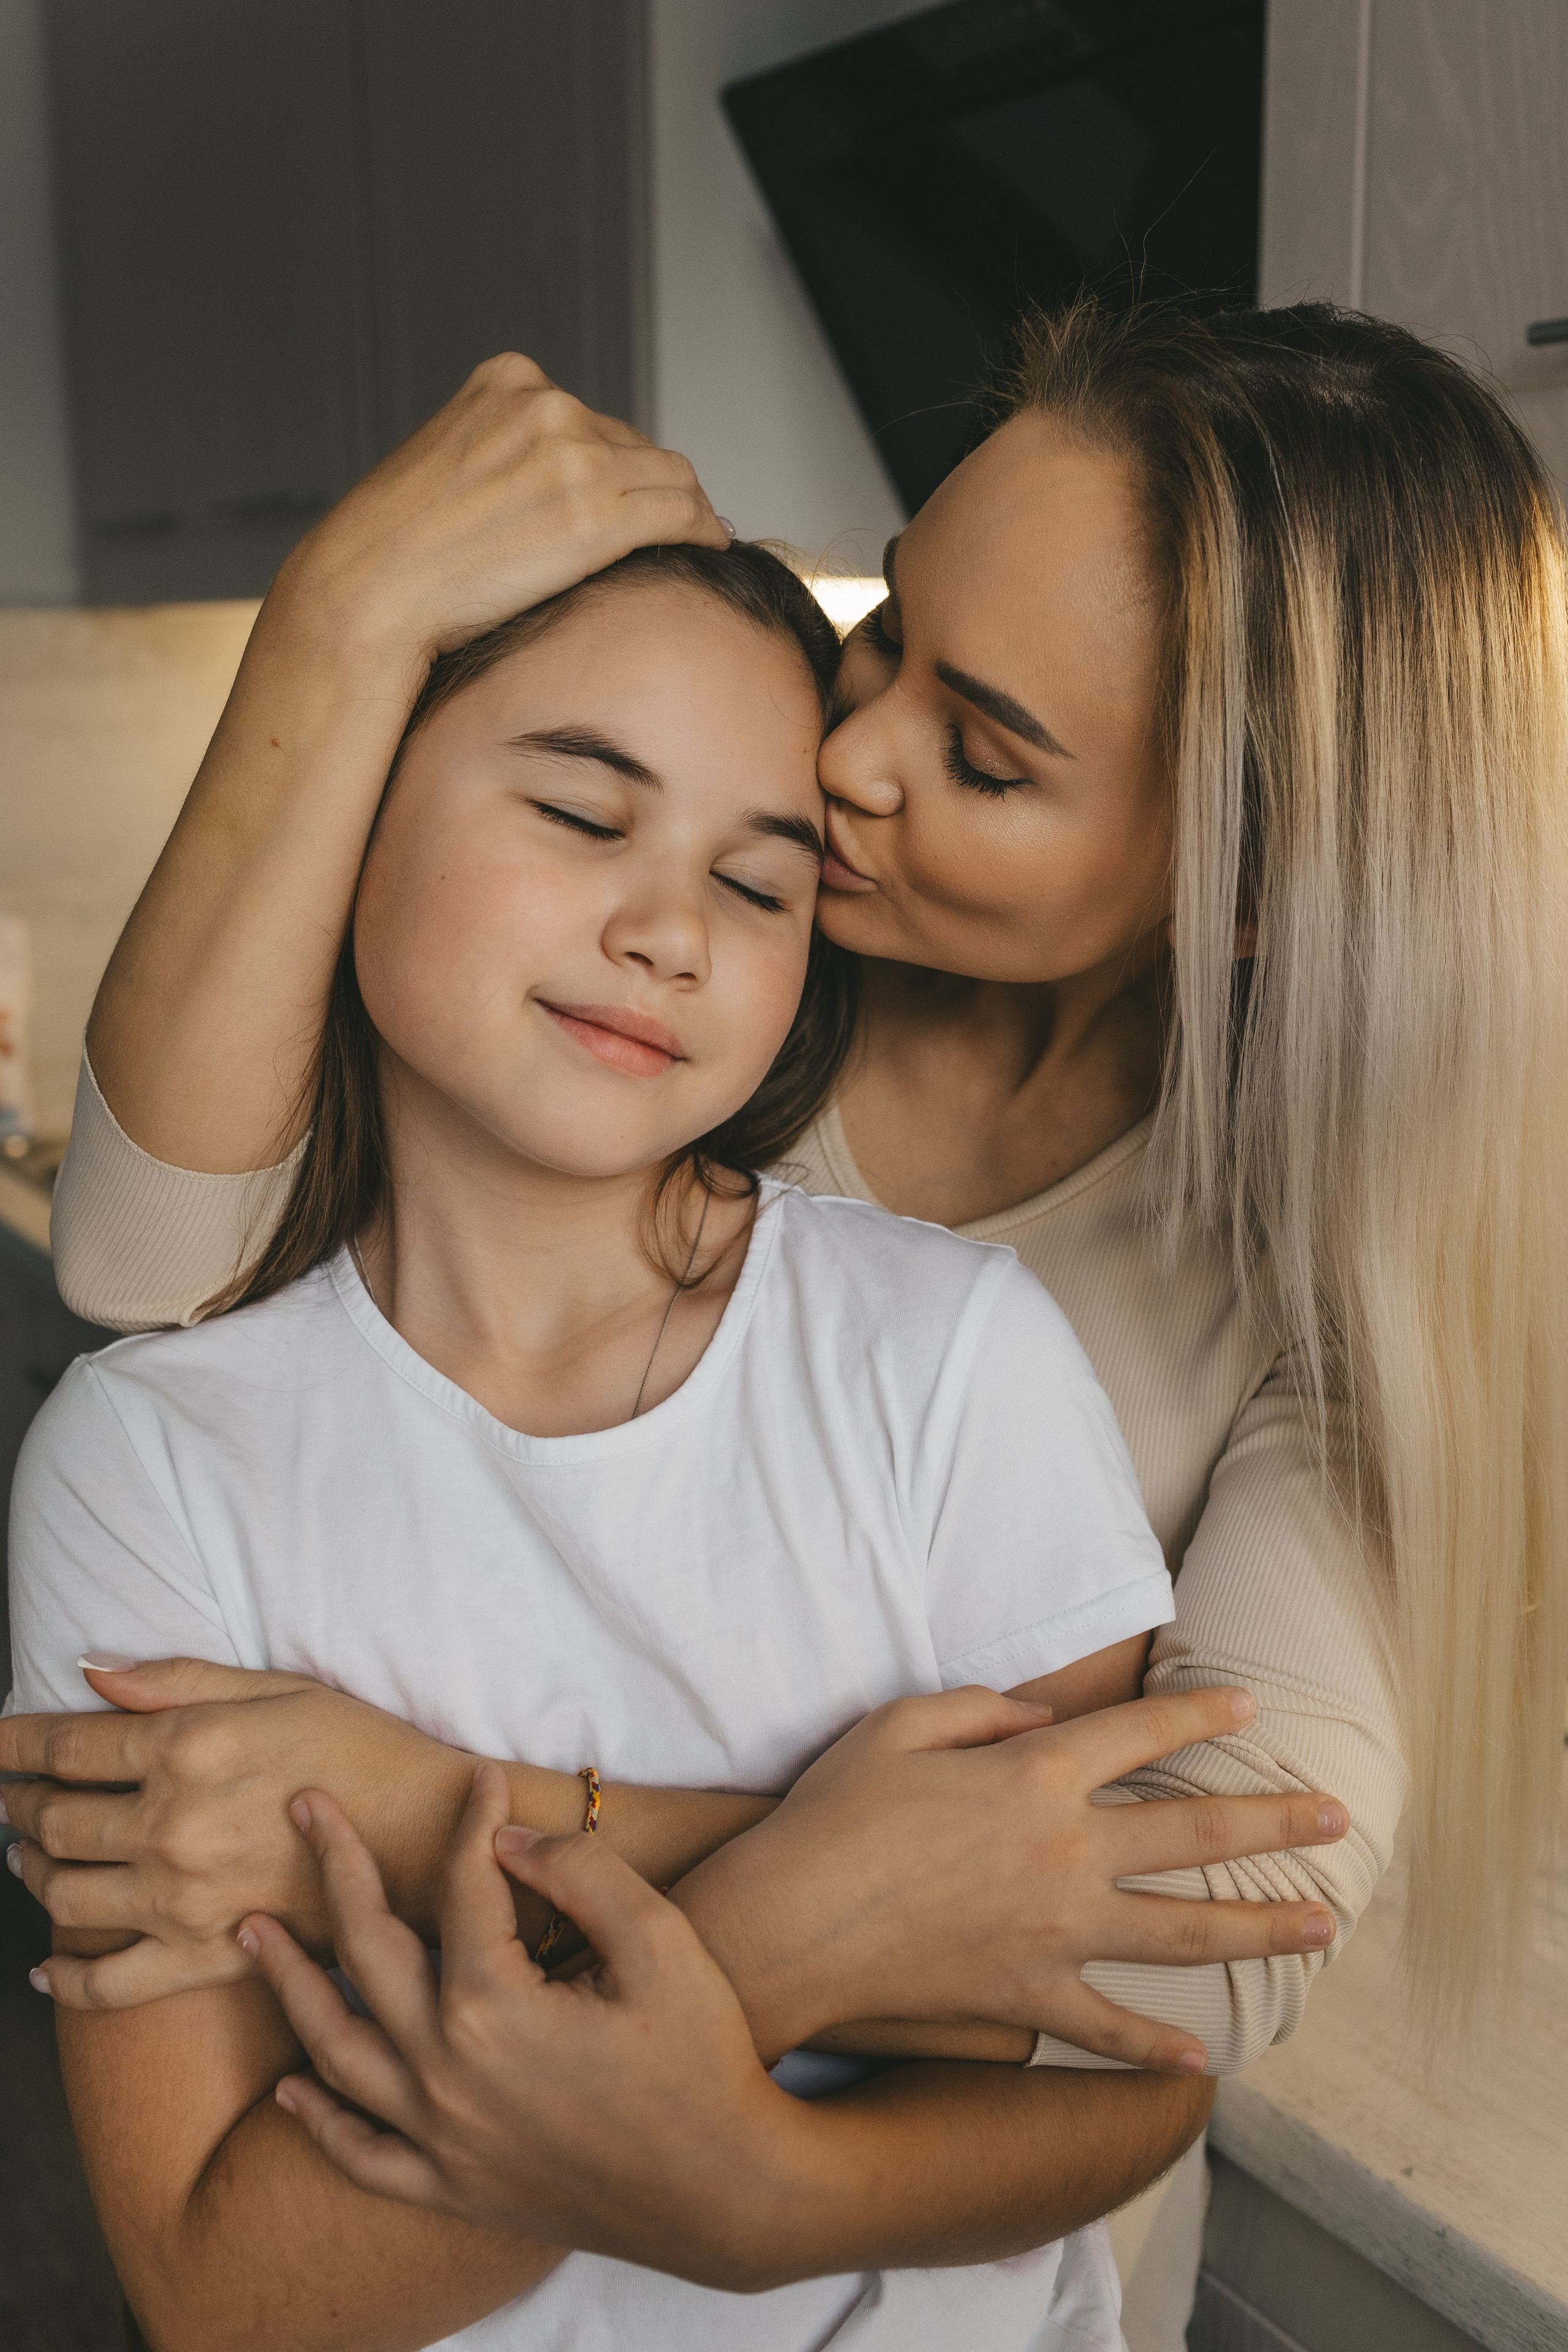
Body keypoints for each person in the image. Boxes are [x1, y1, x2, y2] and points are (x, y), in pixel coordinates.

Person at [5, 295, 1564, 2324]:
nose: (843, 758)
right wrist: (343, 619)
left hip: (927, 2236)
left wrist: (441, 1823)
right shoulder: (696, 992)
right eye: (886, 628)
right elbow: (147, 1255)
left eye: (982, 752)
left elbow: (1199, 1928)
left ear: (1246, 875)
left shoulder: (1296, 1281)